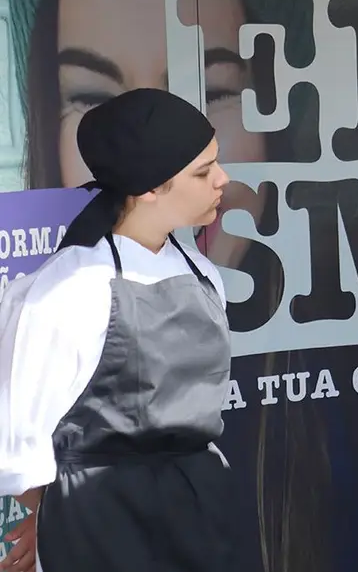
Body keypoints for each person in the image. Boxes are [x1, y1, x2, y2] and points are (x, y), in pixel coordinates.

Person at [0, 88, 240, 572]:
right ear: (150, 186)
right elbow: (15, 439)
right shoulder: (71, 288)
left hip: (199, 518)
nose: (222, 179)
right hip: (104, 528)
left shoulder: (202, 274)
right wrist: (54, 514)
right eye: (202, 170)